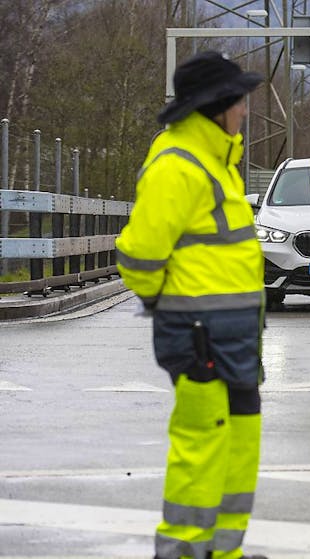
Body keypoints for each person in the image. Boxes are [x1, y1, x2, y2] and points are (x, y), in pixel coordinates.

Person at [115, 50, 267, 559]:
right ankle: (182, 551)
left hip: (232, 333)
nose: (245, 111)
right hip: (200, 330)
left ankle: (223, 551)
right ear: (217, 106)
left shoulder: (216, 160)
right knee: (203, 442)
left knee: (240, 441)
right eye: (240, 101)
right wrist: (165, 299)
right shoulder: (177, 164)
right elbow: (139, 254)